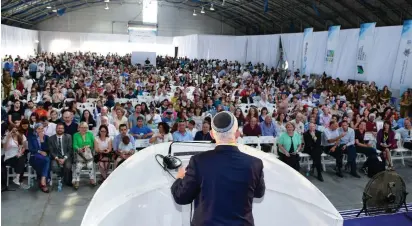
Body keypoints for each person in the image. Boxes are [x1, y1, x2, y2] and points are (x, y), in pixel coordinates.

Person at [171, 111, 265, 225]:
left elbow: (182, 197)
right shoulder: (255, 164)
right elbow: (259, 193)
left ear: (211, 134)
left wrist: (180, 178)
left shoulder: (198, 162)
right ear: (237, 134)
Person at [28, 123, 51, 193]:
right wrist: (39, 151)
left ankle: (42, 181)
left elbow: (47, 149)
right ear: (35, 129)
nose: (40, 130)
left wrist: (41, 140)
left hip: (43, 158)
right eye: (39, 129)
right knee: (47, 160)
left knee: (46, 160)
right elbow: (31, 149)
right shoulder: (31, 137)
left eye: (42, 128)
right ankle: (44, 179)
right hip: (34, 157)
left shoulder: (46, 137)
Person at [72, 121, 96, 189]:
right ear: (79, 128)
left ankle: (92, 179)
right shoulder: (75, 135)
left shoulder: (90, 134)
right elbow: (74, 145)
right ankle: (77, 181)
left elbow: (92, 143)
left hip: (88, 154)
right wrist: (79, 149)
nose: (84, 129)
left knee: (90, 165)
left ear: (87, 128)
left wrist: (88, 146)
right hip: (80, 154)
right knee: (78, 166)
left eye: (85, 127)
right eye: (82, 127)